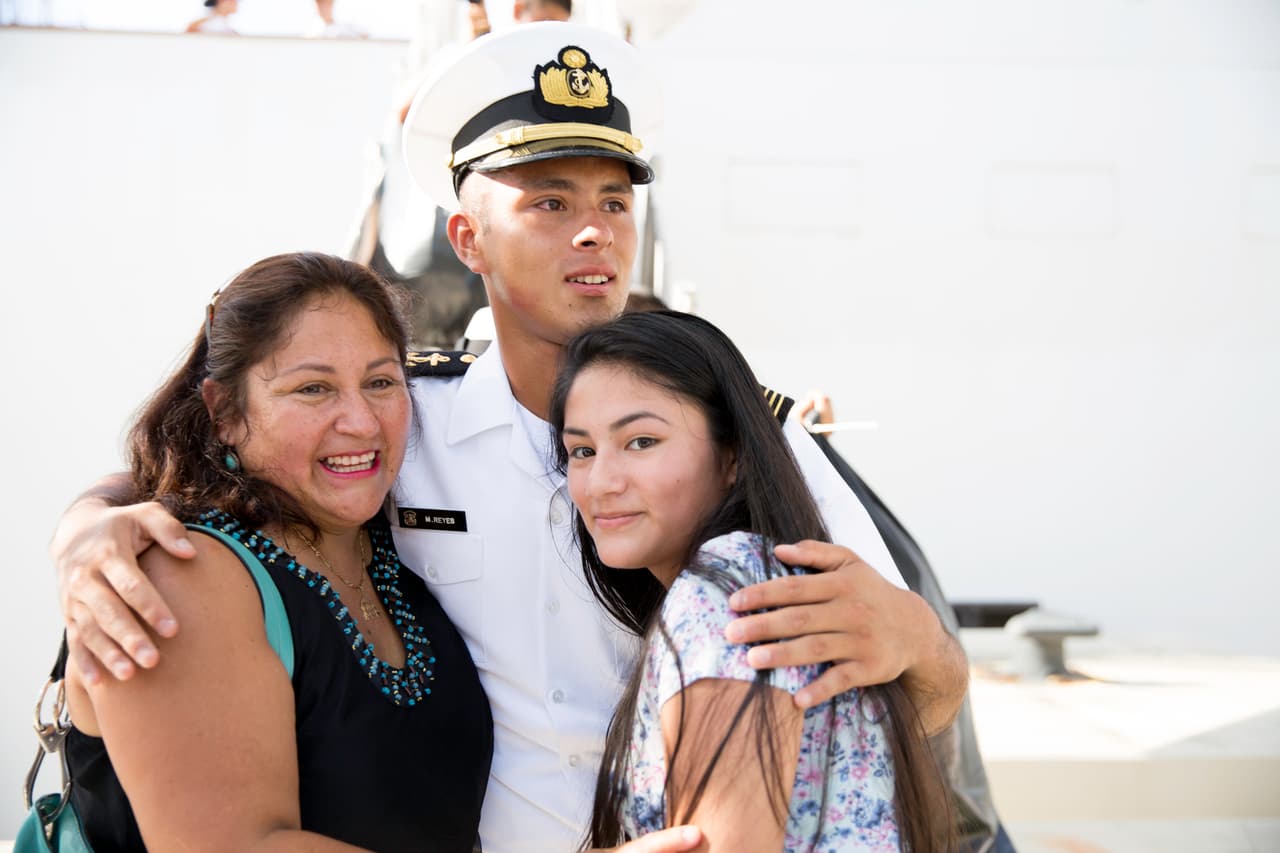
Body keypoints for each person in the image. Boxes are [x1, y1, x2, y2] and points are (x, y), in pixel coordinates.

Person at [50, 24, 967, 853]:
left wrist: (923, 644)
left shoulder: (744, 435)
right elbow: (217, 478)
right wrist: (84, 529)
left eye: (615, 202)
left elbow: (915, 695)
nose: (595, 233)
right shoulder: (406, 425)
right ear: (468, 237)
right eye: (550, 203)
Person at [60, 253, 492, 851]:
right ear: (226, 412)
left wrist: (82, 518)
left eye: (381, 382)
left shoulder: (396, 535)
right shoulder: (181, 576)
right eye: (313, 388)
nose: (362, 422)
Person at [550, 310, 953, 851]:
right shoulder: (761, 574)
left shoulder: (728, 594)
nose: (601, 481)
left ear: (732, 455)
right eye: (582, 451)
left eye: (641, 442)